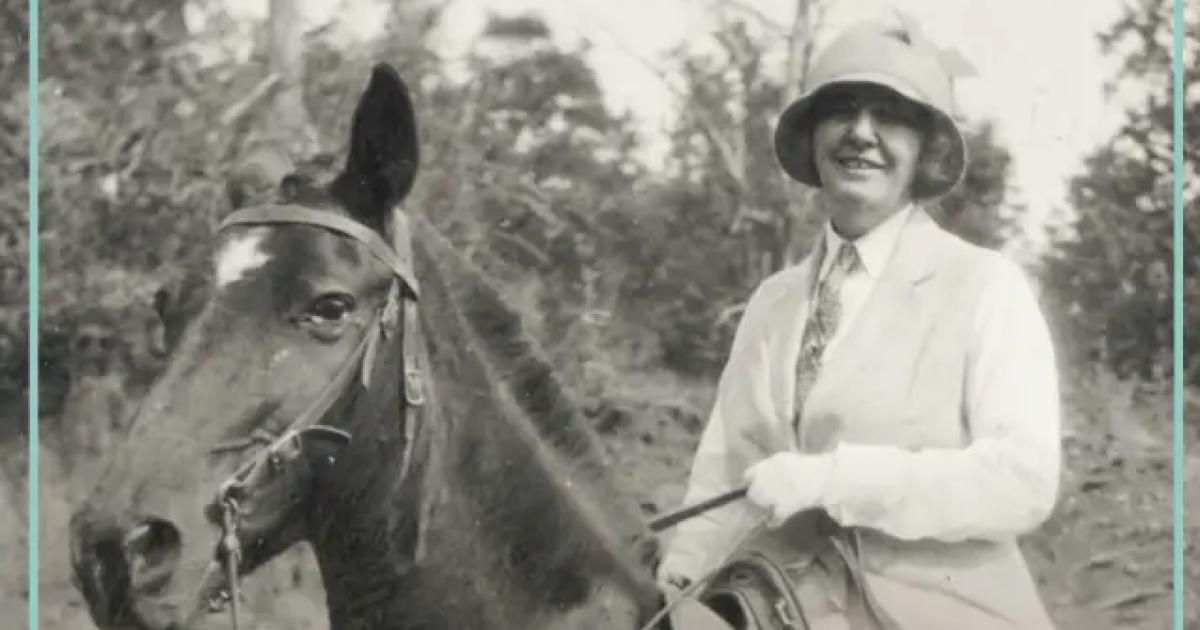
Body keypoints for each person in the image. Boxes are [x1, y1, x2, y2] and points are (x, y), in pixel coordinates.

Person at [656, 17, 1062, 630]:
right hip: (784, 600)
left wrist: (836, 478)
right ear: (813, 135)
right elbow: (724, 469)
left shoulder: (985, 286)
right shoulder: (774, 301)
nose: (861, 134)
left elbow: (1023, 481)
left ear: (926, 147)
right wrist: (684, 566)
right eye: (840, 109)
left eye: (891, 114)